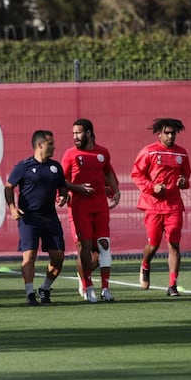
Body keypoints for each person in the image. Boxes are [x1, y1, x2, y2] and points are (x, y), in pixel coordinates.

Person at [4, 130, 69, 306]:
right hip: (29, 218)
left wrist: (64, 196)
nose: (54, 146)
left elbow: (62, 188)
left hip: (50, 217)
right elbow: (9, 187)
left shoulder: (56, 167)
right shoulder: (23, 166)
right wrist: (12, 209)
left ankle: (45, 288)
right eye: (51, 143)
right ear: (40, 145)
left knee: (58, 256)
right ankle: (30, 293)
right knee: (30, 255)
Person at [60, 118, 120, 303]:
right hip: (79, 209)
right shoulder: (70, 155)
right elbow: (60, 180)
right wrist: (64, 194)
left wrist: (115, 190)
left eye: (78, 133)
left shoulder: (102, 153)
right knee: (84, 248)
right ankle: (87, 285)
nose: (75, 137)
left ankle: (106, 289)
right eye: (73, 134)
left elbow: (108, 172)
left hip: (100, 207)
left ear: (88, 133)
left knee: (104, 246)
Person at [131, 118, 191, 296]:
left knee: (174, 243)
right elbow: (136, 174)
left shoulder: (182, 154)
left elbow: (186, 178)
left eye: (173, 133)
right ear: (159, 134)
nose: (171, 136)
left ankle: (172, 285)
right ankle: (145, 265)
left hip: (173, 206)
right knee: (153, 244)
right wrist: (152, 187)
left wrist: (183, 182)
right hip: (153, 205)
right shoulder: (149, 151)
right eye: (167, 133)